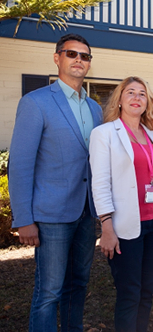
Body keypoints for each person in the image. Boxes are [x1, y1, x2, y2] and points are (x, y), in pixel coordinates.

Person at [8, 33, 102, 331]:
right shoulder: (35, 103)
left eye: (84, 56)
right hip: (51, 217)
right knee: (48, 292)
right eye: (71, 54)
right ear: (57, 58)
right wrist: (24, 219)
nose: (78, 60)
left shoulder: (95, 109)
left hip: (87, 213)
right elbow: (20, 165)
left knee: (78, 284)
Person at [89, 76, 153, 331]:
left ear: (147, 102)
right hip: (124, 226)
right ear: (119, 100)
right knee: (129, 293)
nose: (137, 97)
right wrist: (106, 227)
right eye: (130, 92)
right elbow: (100, 184)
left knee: (147, 291)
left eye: (142, 94)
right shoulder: (104, 134)